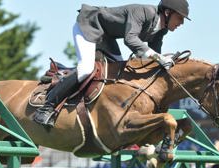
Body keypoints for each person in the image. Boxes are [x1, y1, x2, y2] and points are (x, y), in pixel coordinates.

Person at [33, 0, 191, 127]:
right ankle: (47, 107)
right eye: (180, 18)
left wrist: (165, 62)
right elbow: (131, 39)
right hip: (89, 26)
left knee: (121, 75)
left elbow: (151, 58)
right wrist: (158, 57)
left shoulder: (161, 29)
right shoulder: (143, 12)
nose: (181, 23)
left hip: (106, 37)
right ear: (168, 12)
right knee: (86, 69)